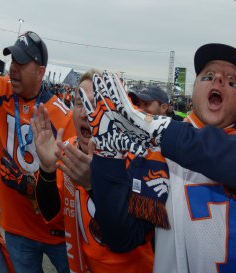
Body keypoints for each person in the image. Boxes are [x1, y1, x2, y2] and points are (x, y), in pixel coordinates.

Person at [88, 44, 236, 273]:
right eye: (208, 76)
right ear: (194, 90)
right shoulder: (154, 155)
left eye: (232, 80)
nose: (218, 80)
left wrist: (161, 131)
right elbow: (120, 237)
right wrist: (107, 158)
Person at [30, 69, 154, 273]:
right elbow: (49, 213)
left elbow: (130, 236)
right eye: (79, 102)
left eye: (95, 103)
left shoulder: (140, 158)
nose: (84, 112)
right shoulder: (68, 151)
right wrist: (47, 169)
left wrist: (92, 184)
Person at [0, 31, 75, 273]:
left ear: (41, 72)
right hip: (17, 229)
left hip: (58, 233)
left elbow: (67, 185)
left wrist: (29, 185)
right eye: (12, 62)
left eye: (21, 63)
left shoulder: (62, 117)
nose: (13, 69)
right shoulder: (3, 93)